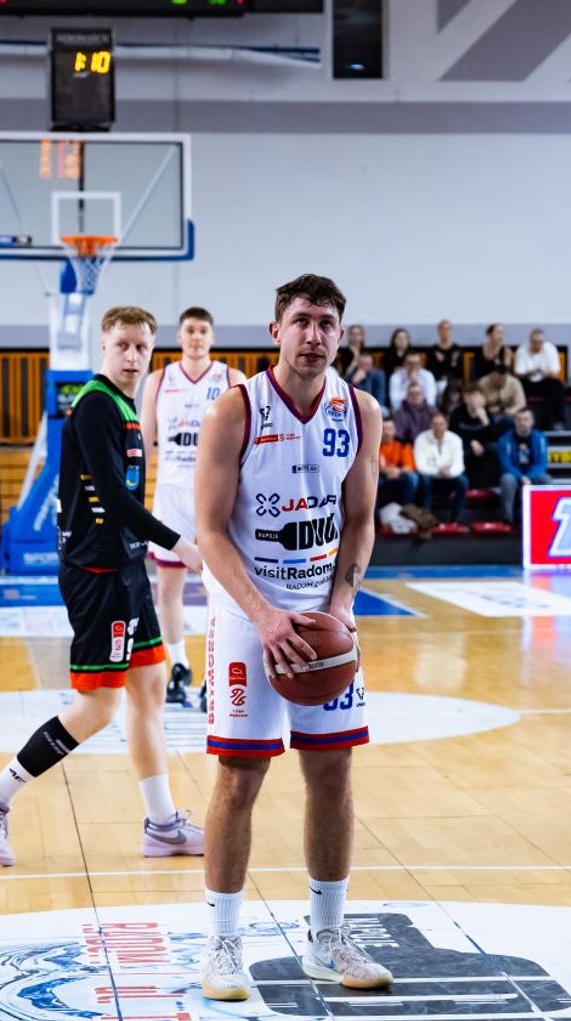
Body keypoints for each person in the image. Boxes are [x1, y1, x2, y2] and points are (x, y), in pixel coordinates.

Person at [193, 273, 390, 999]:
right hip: (249, 614)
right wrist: (266, 617)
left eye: (327, 322)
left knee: (334, 771)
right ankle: (221, 944)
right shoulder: (234, 409)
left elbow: (360, 521)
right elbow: (209, 532)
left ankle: (327, 937)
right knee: (240, 776)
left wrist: (340, 606)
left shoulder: (360, 411)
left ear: (342, 334)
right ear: (276, 330)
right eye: (302, 320)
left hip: (322, 610)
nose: (314, 334)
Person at [0, 306, 207, 867]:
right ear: (104, 347)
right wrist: (180, 544)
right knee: (98, 706)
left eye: (142, 347)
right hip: (98, 575)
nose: (132, 356)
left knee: (150, 689)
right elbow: (114, 499)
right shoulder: (95, 404)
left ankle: (162, 825)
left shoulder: (123, 404)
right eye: (122, 345)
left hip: (126, 567)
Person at [140, 306, 247, 709]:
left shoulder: (231, 379)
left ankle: (213, 672)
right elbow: (143, 442)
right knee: (168, 588)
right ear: (179, 336)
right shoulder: (158, 380)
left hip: (214, 497)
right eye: (190, 330)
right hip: (170, 495)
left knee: (220, 588)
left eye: (203, 330)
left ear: (212, 337)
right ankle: (179, 665)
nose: (197, 337)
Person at [496, 407, 551, 523]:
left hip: (533, 474)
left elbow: (541, 463)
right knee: (506, 479)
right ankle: (507, 519)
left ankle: (544, 516)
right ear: (515, 422)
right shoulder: (504, 440)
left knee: (545, 479)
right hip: (514, 475)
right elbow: (505, 464)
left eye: (526, 419)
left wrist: (529, 477)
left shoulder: (540, 438)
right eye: (519, 420)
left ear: (532, 422)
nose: (522, 423)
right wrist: (521, 477)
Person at [414, 412, 467, 522]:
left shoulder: (455, 439)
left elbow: (459, 465)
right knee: (425, 480)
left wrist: (449, 473)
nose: (438, 427)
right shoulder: (421, 439)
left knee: (463, 481)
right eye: (435, 424)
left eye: (441, 424)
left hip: (450, 477)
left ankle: (456, 520)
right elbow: (420, 466)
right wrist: (438, 471)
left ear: (447, 425)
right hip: (431, 477)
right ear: (430, 425)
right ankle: (426, 519)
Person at [450, 385, 505, 488]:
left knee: (495, 449)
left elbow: (494, 437)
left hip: (483, 445)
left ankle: (495, 485)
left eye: (476, 395)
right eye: (469, 396)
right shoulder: (457, 413)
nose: (473, 399)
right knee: (462, 454)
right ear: (465, 398)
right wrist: (471, 442)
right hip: (465, 445)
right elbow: (454, 435)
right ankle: (463, 485)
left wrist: (485, 420)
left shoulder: (487, 413)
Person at [514, 328, 565, 430]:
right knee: (517, 384)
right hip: (527, 382)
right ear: (530, 341)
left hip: (545, 382)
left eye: (540, 342)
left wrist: (543, 372)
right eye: (534, 342)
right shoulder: (522, 350)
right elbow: (518, 373)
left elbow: (554, 373)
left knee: (557, 385)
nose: (537, 345)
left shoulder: (550, 349)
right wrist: (531, 372)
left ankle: (557, 421)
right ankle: (519, 421)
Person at [377, 417, 423, 509]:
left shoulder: (402, 445)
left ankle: (407, 509)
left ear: (395, 430)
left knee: (412, 477)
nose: (386, 432)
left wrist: (398, 471)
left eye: (389, 429)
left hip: (399, 474)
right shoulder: (374, 446)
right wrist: (385, 471)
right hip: (380, 475)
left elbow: (408, 466)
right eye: (383, 428)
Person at [425, 319, 462, 385]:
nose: (445, 332)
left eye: (447, 329)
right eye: (442, 329)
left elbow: (460, 372)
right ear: (438, 331)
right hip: (437, 382)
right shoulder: (432, 350)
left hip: (453, 382)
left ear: (451, 331)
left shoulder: (457, 350)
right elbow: (430, 371)